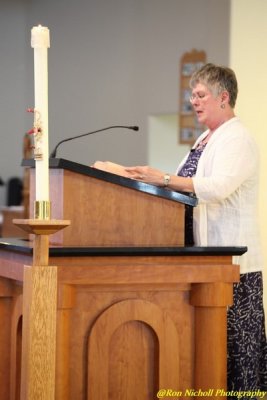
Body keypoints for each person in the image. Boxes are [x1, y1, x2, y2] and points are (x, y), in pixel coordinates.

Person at [93, 63, 267, 397]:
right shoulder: (204, 139)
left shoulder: (238, 139)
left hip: (233, 266)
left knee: (235, 351)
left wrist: (163, 179)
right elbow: (182, 189)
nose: (194, 102)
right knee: (210, 352)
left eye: (201, 95)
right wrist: (140, 179)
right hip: (204, 262)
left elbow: (216, 188)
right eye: (193, 95)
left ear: (224, 97)